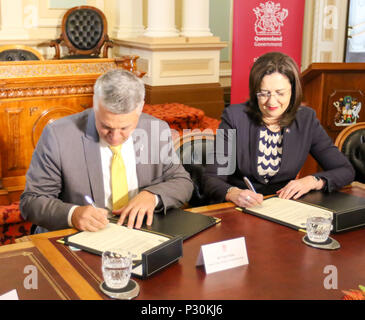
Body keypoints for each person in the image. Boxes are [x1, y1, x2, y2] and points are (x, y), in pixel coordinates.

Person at [20, 69, 193, 232]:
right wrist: (72, 214)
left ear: (140, 109)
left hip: (138, 232)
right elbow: (31, 201)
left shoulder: (156, 129)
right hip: (79, 235)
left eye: (125, 128)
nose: (115, 137)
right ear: (94, 104)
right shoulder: (58, 135)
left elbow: (182, 182)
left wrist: (152, 196)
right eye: (106, 127)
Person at [203, 51, 355, 208]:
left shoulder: (305, 119)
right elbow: (211, 178)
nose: (272, 101)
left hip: (284, 208)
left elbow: (345, 170)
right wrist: (233, 193)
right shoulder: (234, 117)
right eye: (264, 93)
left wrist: (312, 181)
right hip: (241, 208)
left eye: (280, 93)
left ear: (293, 91)